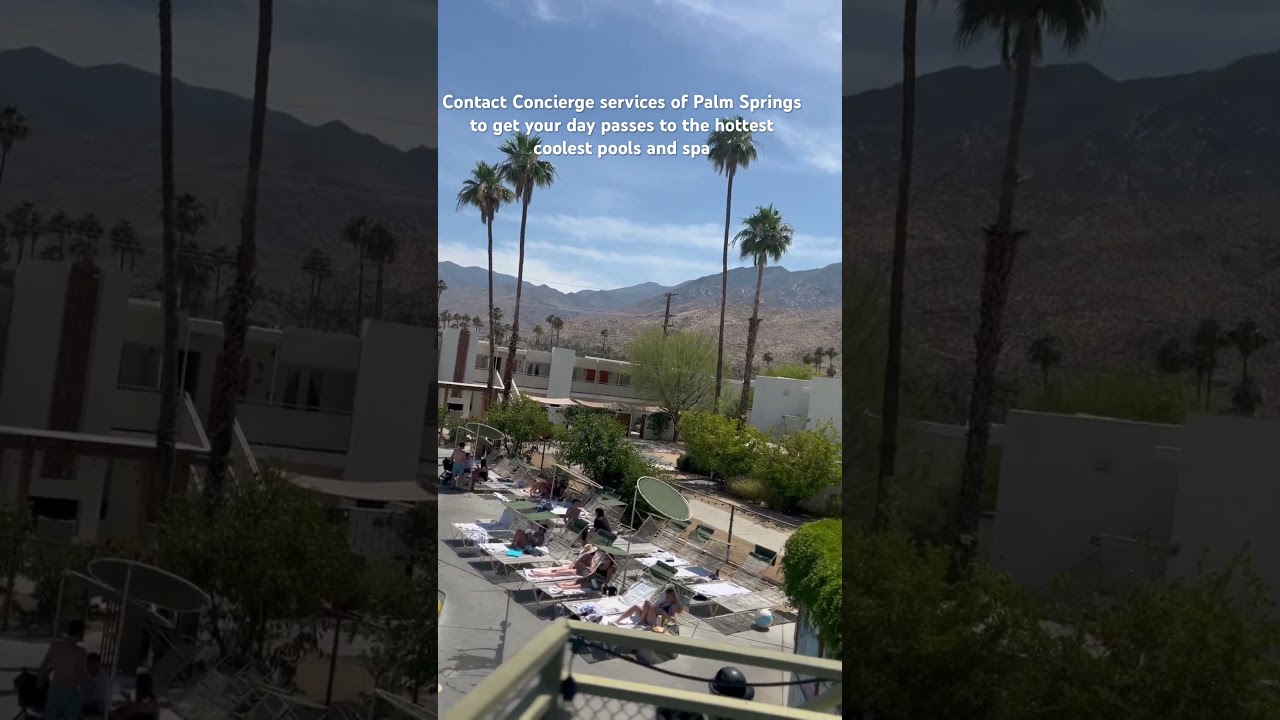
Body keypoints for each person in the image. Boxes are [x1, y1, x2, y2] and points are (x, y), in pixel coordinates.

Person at [41, 619, 89, 720]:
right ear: (80, 632)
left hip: (54, 689)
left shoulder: (55, 646)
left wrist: (43, 679)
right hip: (70, 691)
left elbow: (43, 667)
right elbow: (82, 676)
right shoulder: (80, 652)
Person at [612, 587, 684, 627]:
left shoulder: (673, 606)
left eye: (670, 595)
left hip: (656, 622)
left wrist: (664, 613)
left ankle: (642, 621)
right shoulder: (663, 603)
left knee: (647, 602)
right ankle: (618, 620)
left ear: (674, 597)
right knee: (636, 606)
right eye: (667, 594)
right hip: (650, 617)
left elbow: (674, 621)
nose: (667, 596)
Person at [80, 653, 112, 718]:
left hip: (100, 708)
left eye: (93, 664)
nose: (90, 667)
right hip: (86, 707)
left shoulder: (104, 678)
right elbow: (81, 696)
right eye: (88, 665)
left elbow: (105, 699)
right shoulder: (84, 677)